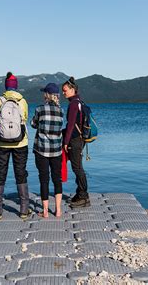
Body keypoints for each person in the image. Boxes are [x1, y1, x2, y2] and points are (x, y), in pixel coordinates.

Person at [0, 72, 32, 220]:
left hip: (1, 143)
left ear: (5, 86)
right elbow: (25, 119)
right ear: (16, 86)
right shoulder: (22, 101)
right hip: (20, 142)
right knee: (20, 172)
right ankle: (24, 210)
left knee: (0, 172)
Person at [31, 83, 64, 217]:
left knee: (44, 179)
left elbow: (33, 124)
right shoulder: (61, 111)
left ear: (47, 94)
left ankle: (45, 211)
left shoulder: (40, 109)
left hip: (42, 149)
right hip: (56, 150)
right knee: (57, 178)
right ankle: (58, 210)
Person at [62, 77, 90, 208]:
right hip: (80, 139)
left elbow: (71, 124)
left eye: (65, 90)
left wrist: (66, 142)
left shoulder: (73, 104)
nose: (63, 93)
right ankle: (80, 193)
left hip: (75, 140)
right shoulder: (79, 102)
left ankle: (84, 197)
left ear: (72, 90)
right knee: (78, 166)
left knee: (77, 168)